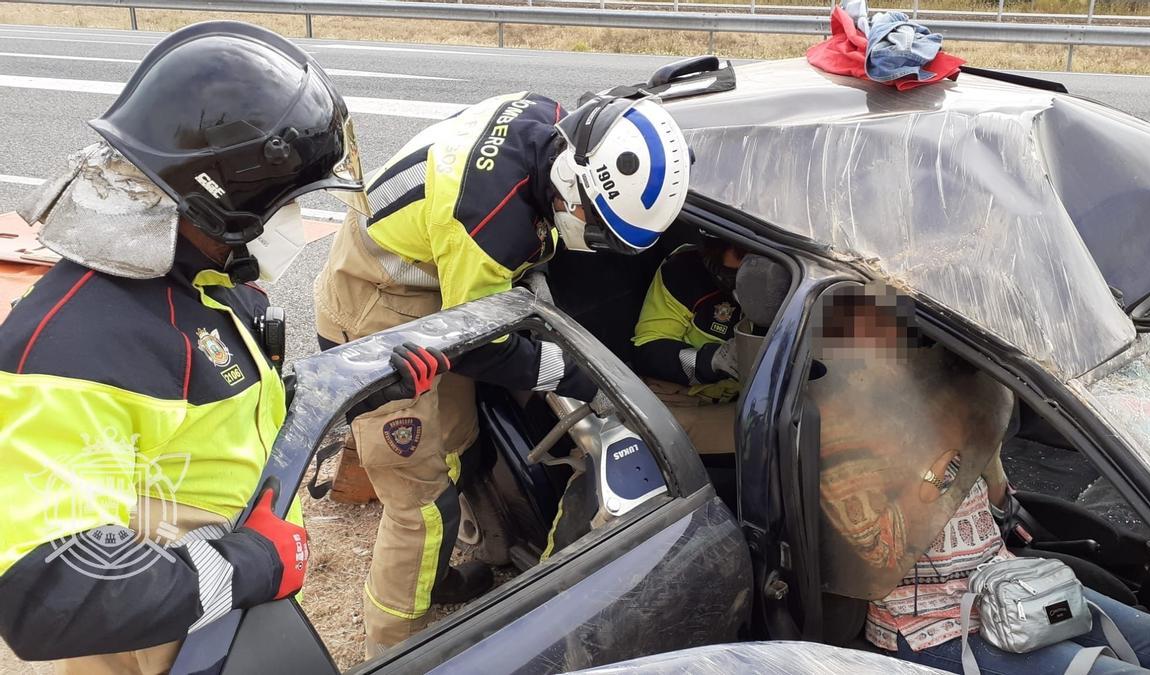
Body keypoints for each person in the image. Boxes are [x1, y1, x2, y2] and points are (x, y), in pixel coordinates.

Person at [0, 22, 375, 673]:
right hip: (161, 654)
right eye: (287, 202)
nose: (294, 221)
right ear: (224, 196)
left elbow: (209, 419)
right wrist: (252, 564)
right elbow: (43, 599)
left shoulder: (203, 279)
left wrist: (353, 376)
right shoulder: (71, 346)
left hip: (222, 628)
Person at [313, 91, 691, 653]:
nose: (597, 242)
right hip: (379, 308)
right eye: (598, 226)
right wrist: (573, 373)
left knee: (461, 448)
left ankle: (438, 578)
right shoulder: (486, 226)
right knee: (422, 504)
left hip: (441, 289)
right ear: (573, 180)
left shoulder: (550, 121)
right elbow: (480, 347)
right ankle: (394, 650)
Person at [808, 286, 1150, 675]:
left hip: (1012, 586)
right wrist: (941, 466)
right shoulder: (842, 445)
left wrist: (985, 452)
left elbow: (1000, 510)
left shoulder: (935, 405)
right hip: (934, 626)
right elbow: (879, 558)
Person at [630, 237, 745, 454]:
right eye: (725, 272)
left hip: (756, 404)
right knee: (623, 440)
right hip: (685, 395)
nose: (733, 280)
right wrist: (711, 361)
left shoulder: (808, 282)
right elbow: (647, 349)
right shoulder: (685, 269)